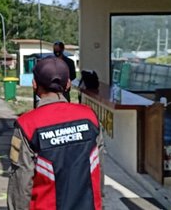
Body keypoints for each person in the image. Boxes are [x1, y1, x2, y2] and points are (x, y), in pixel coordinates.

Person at [7, 57, 102, 210]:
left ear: (34, 84)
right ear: (68, 84)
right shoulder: (90, 118)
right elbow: (99, 170)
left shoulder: (27, 125)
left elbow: (21, 182)